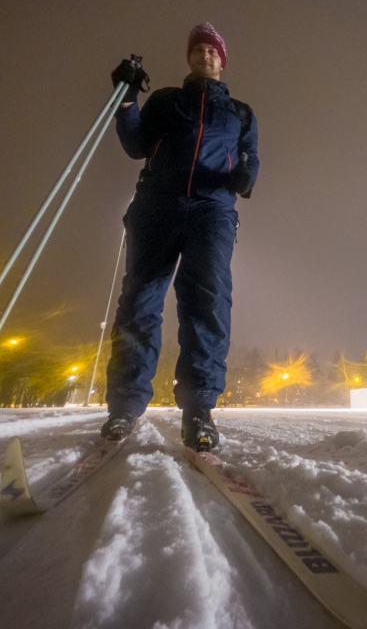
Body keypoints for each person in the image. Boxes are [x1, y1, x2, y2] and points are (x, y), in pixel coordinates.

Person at [101, 23, 258, 450]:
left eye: (213, 50)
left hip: (212, 211)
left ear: (222, 61)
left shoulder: (240, 113)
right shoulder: (167, 100)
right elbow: (136, 143)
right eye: (199, 49)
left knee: (207, 301)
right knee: (139, 302)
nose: (206, 55)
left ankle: (199, 411)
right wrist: (127, 98)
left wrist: (247, 175)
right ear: (190, 57)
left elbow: (250, 158)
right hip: (157, 206)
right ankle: (124, 409)